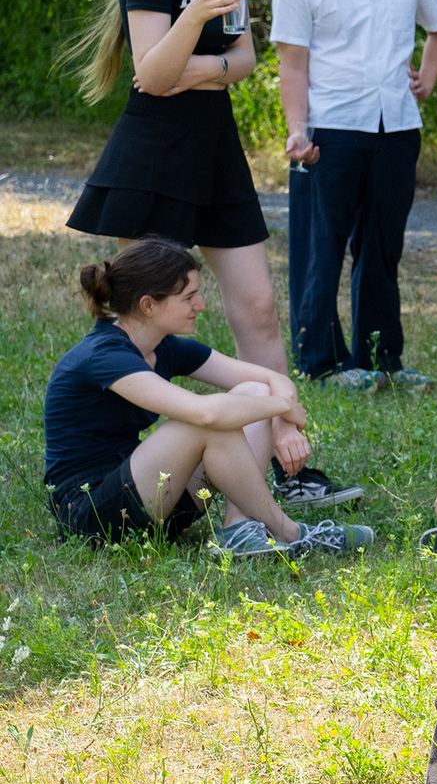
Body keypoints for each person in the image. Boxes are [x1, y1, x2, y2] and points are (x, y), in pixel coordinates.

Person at [63, 0, 364, 510]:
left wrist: (192, 69)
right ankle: (141, 466)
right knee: (150, 319)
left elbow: (243, 60)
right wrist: (194, 31)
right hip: (153, 160)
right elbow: (151, 76)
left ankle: (289, 462)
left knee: (257, 305)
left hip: (216, 151)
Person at [44, 239, 371, 558]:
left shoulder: (163, 347)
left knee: (252, 394)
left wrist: (283, 422)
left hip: (146, 503)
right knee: (203, 422)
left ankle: (239, 527)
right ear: (148, 305)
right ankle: (289, 532)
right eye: (189, 297)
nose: (199, 305)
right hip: (91, 516)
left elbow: (271, 380)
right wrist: (284, 406)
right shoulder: (104, 356)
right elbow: (206, 414)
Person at [273, 0, 437, 392]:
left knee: (382, 247)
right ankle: (321, 363)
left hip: (396, 125)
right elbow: (293, 62)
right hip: (331, 128)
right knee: (320, 246)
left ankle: (382, 361)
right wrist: (297, 129)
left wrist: (428, 77)